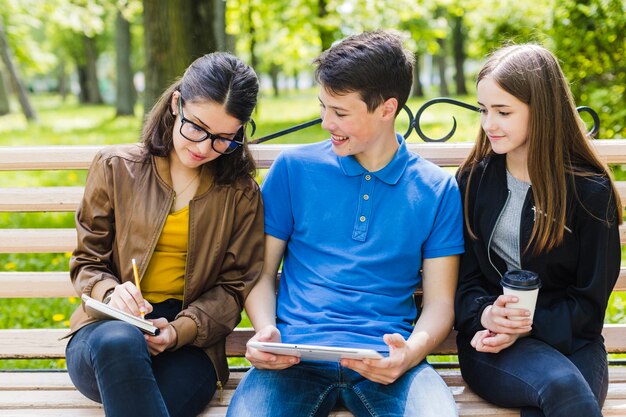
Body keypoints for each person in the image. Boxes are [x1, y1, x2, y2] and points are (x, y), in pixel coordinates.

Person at [227, 29, 464, 417]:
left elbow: (439, 303)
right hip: (294, 359)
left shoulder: (436, 189)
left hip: (387, 362)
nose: (325, 122)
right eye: (323, 107)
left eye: (339, 113)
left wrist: (408, 355)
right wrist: (266, 331)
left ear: (387, 109)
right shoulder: (293, 169)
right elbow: (261, 272)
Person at [65, 52, 264, 417]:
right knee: (120, 340)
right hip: (107, 330)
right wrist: (111, 294)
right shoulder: (116, 167)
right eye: (197, 128)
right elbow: (87, 263)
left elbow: (234, 287)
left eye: (223, 138)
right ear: (176, 104)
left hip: (189, 340)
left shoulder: (240, 194)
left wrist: (178, 331)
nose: (204, 148)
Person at [454, 44, 622, 417]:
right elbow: (464, 285)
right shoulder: (473, 181)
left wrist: (527, 325)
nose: (488, 124)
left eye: (503, 112)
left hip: (572, 342)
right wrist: (487, 315)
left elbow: (589, 306)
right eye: (484, 110)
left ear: (542, 111)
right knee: (563, 389)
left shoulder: (590, 192)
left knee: (556, 398)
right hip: (493, 345)